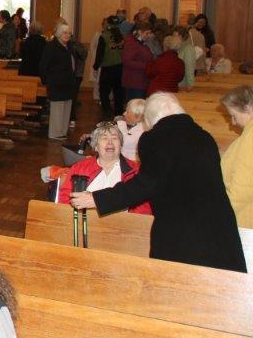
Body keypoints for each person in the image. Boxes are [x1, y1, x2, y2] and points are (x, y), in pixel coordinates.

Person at [71, 92, 246, 273]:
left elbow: (145, 185)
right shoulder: (205, 138)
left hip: (182, 238)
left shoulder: (155, 138)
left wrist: (98, 199)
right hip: (221, 232)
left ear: (150, 119)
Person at [49, 122, 150, 214]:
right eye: (104, 138)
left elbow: (143, 208)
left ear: (121, 145)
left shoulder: (135, 171)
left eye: (114, 138)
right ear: (96, 147)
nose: (110, 142)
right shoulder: (80, 168)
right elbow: (65, 200)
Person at [221, 86, 253, 229]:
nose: (233, 122)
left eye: (234, 116)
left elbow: (242, 190)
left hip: (244, 220)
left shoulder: (251, 137)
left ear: (248, 109)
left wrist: (219, 216)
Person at [39, 23, 76, 140]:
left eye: (69, 33)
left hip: (68, 83)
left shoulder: (68, 46)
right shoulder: (52, 47)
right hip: (56, 84)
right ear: (59, 34)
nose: (67, 35)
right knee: (57, 110)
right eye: (65, 33)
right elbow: (43, 66)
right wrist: (48, 81)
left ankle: (62, 132)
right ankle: (55, 133)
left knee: (66, 109)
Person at [92, 16, 125, 117]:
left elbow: (100, 53)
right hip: (120, 67)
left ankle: (107, 110)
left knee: (104, 91)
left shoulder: (104, 36)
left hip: (108, 67)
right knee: (118, 91)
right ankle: (118, 112)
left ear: (109, 24)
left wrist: (95, 67)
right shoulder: (122, 36)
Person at [122, 22, 154, 101]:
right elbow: (127, 61)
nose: (149, 36)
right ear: (139, 32)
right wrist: (146, 65)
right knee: (136, 105)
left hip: (140, 81)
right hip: (135, 82)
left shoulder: (139, 42)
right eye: (147, 33)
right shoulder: (132, 43)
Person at [174, 26, 197, 91]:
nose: (173, 38)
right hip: (175, 84)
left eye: (175, 36)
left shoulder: (188, 49)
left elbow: (189, 67)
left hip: (183, 85)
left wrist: (190, 84)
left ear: (181, 36)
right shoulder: (177, 47)